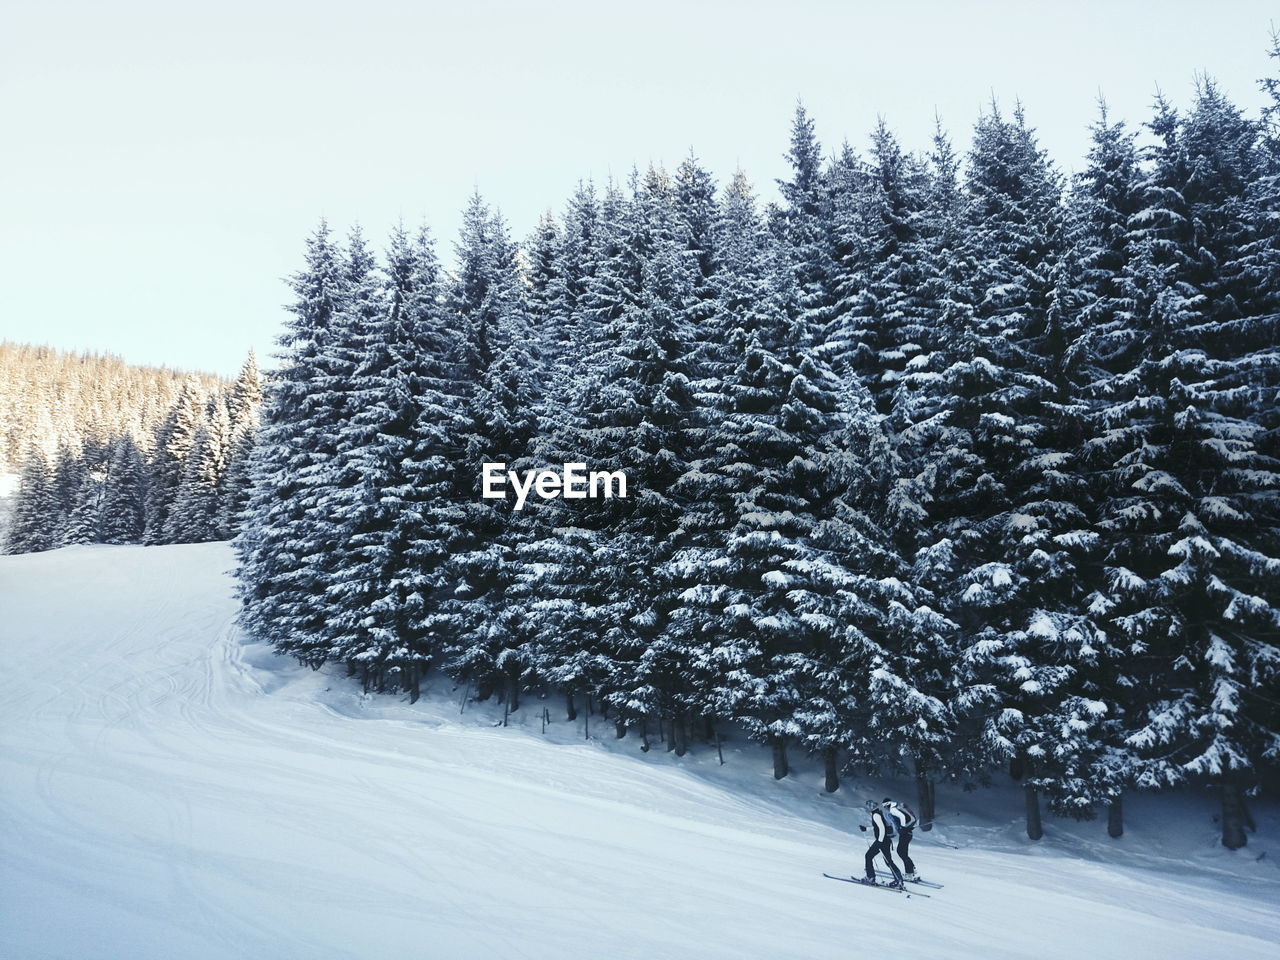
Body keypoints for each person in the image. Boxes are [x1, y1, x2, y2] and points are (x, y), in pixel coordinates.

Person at [858, 798, 904, 886]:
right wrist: (866, 829)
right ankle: (899, 880)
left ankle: (870, 877)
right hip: (884, 840)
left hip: (882, 841)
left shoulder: (876, 815)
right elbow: (877, 827)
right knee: (888, 861)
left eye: (868, 807)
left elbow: (882, 829)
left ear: (871, 807)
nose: (867, 809)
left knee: (868, 856)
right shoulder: (878, 813)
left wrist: (879, 841)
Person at [882, 796, 919, 881]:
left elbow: (902, 817)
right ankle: (912, 869)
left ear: (887, 804)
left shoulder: (893, 809)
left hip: (906, 833)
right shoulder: (896, 807)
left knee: (901, 852)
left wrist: (902, 828)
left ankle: (909, 873)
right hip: (907, 833)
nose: (885, 809)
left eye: (884, 806)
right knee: (903, 852)